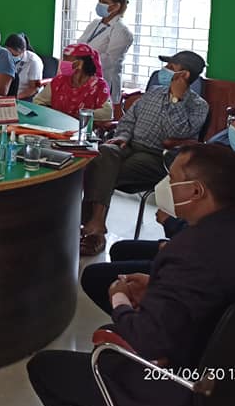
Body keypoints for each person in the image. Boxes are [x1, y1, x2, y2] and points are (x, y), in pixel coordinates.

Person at [28, 144, 235, 406]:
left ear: (196, 191)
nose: (166, 186)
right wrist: (157, 287)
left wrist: (119, 297)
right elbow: (218, 294)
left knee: (45, 367)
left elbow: (147, 341)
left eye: (172, 178)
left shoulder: (189, 250)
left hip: (184, 385)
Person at [81, 91, 235, 314]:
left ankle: (145, 317)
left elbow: (210, 243)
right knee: (121, 249)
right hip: (221, 258)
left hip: (210, 277)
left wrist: (170, 222)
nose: (234, 126)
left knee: (94, 276)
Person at [80, 51, 209, 256]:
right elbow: (129, 119)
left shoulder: (199, 106)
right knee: (103, 151)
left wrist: (176, 100)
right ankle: (95, 225)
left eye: (171, 68)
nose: (164, 71)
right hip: (129, 145)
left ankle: (91, 227)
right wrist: (122, 136)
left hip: (158, 156)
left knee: (99, 171)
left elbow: (175, 133)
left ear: (184, 75)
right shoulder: (154, 92)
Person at [78, 0, 134, 104]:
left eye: (104, 2)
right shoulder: (95, 23)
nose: (100, 4)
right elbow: (81, 44)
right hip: (85, 76)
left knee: (100, 111)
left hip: (105, 80)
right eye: (99, 0)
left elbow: (110, 60)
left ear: (116, 6)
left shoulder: (121, 30)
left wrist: (84, 60)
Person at [33, 43, 112, 121]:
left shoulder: (99, 86)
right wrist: (52, 114)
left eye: (66, 59)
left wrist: (80, 114)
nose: (63, 62)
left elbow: (107, 113)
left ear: (80, 63)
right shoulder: (58, 81)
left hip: (85, 127)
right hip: (56, 125)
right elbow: (38, 101)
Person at [6, 33, 43, 100]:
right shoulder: (4, 56)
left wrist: (14, 98)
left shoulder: (33, 61)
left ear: (23, 50)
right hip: (8, 94)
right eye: (8, 52)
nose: (10, 56)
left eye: (14, 54)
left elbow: (33, 88)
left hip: (25, 96)